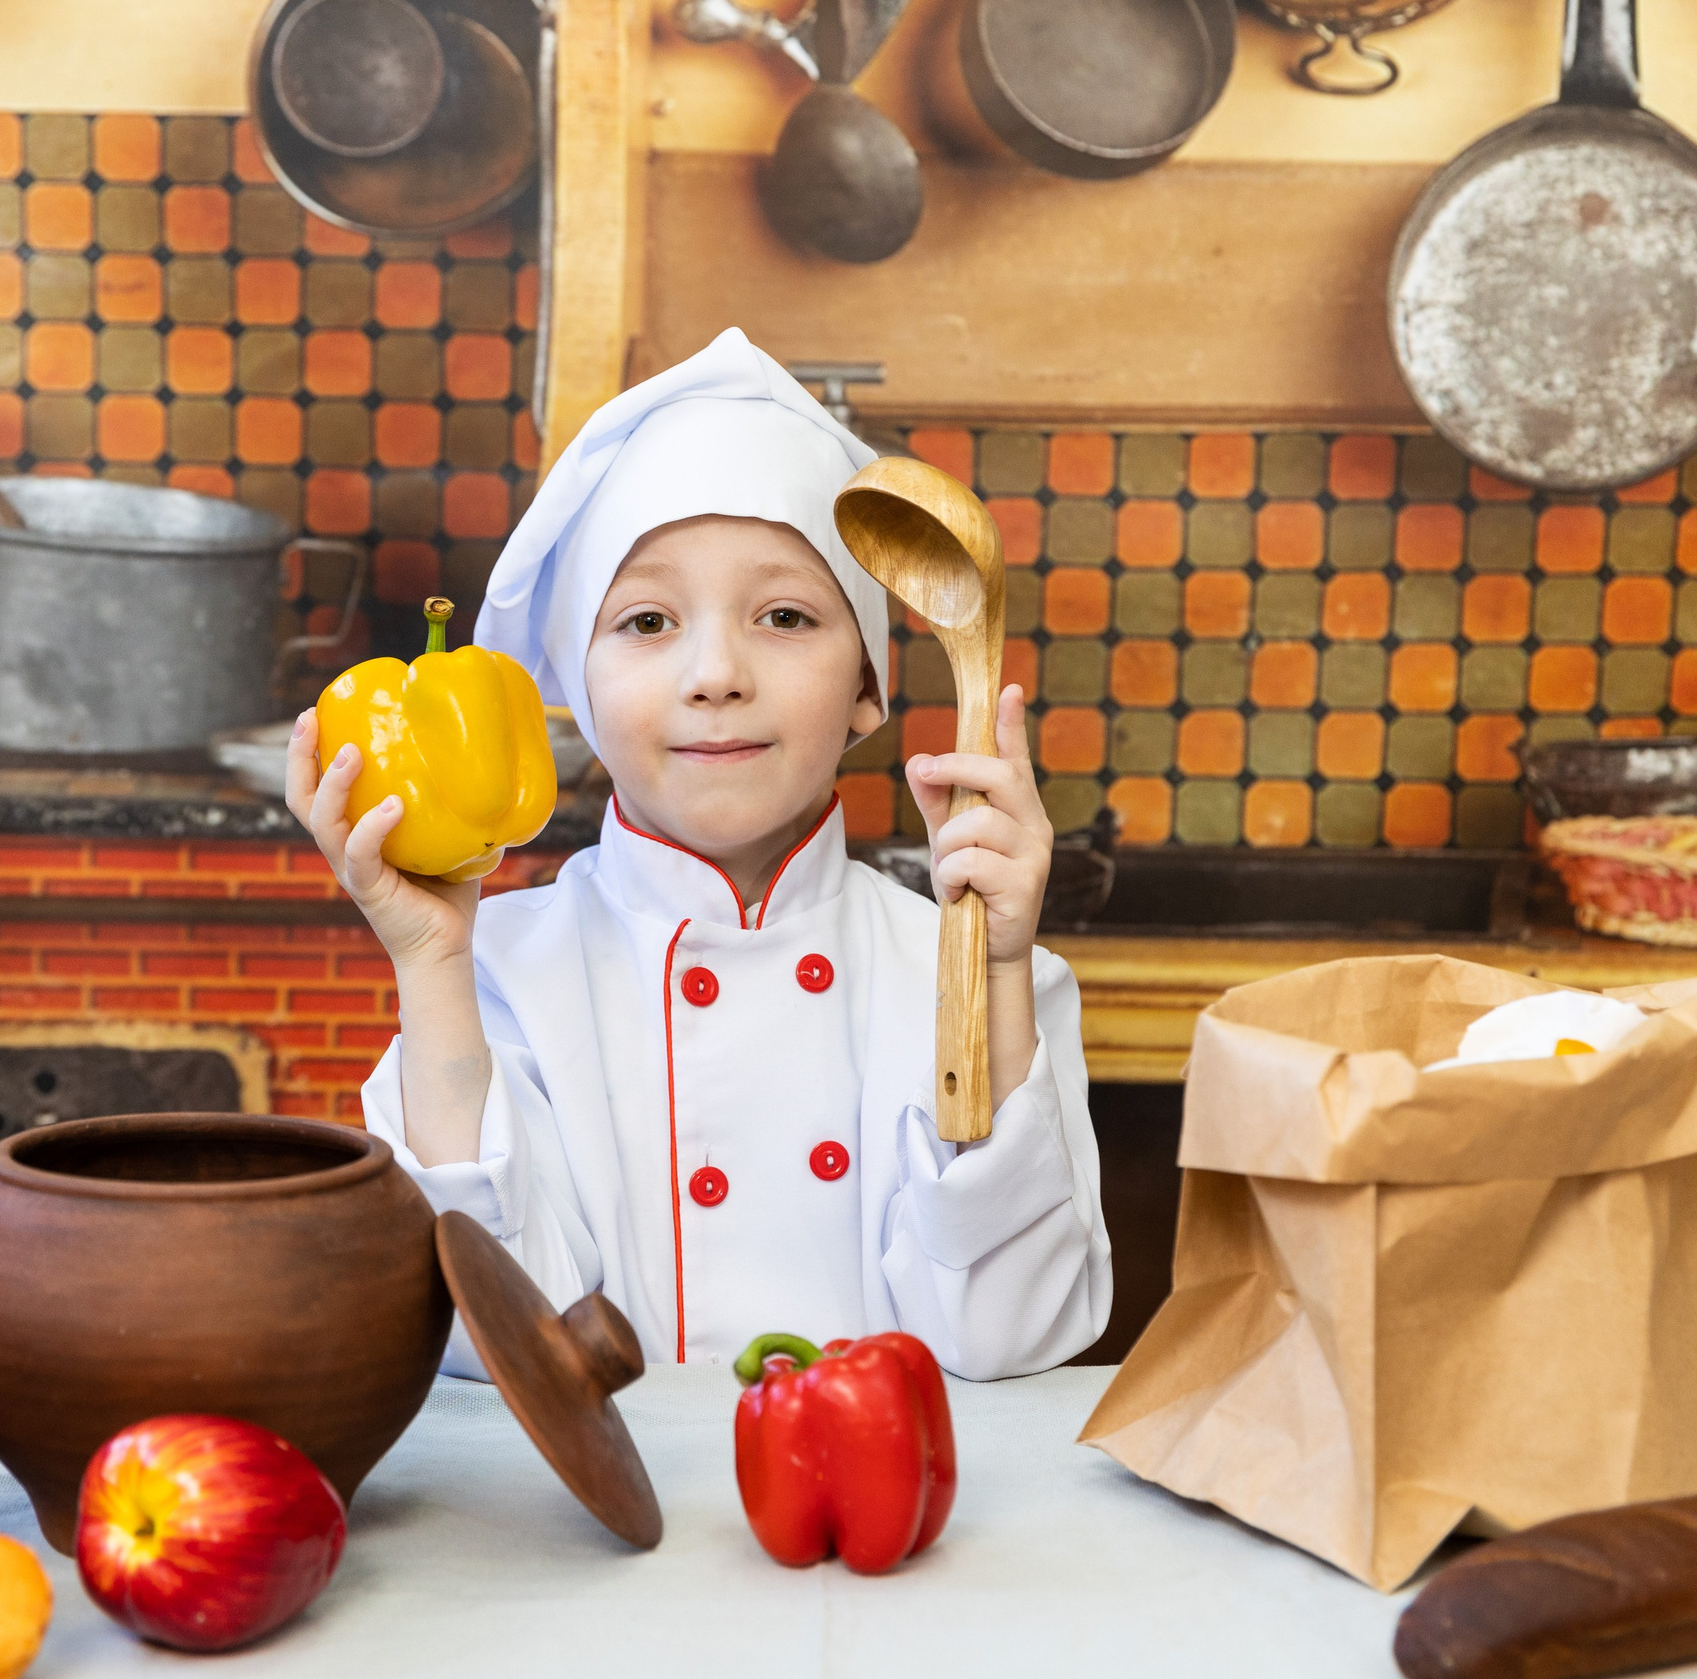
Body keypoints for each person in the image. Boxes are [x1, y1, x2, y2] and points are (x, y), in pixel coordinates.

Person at [285, 328, 1110, 1379]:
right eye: (645, 619)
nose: (715, 671)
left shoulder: (984, 973)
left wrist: (990, 973)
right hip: (609, 1532)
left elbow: (1013, 1340)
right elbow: (488, 1349)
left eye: (782, 614)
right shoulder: (500, 967)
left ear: (867, 686)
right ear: (579, 694)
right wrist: (432, 965)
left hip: (888, 1525)